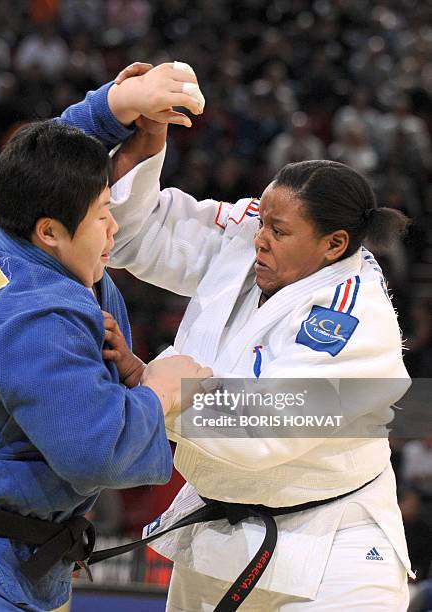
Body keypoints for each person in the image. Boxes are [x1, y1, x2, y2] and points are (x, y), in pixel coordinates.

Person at [60, 66, 414, 610]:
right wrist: (147, 145)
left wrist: (157, 385)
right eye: (262, 221)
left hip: (329, 552)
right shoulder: (258, 232)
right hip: (220, 528)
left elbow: (266, 428)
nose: (259, 239)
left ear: (333, 244)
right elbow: (134, 235)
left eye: (278, 231)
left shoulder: (353, 319)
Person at [0, 63, 210, 611]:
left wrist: (117, 104)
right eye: (103, 216)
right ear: (51, 231)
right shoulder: (36, 317)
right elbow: (97, 450)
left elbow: (41, 155)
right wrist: (161, 390)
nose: (114, 229)